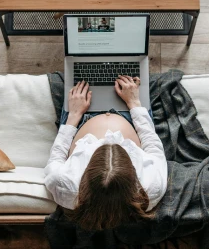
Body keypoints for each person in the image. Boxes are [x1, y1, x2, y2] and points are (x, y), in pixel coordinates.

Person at [44, 76, 168, 231]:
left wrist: (73, 116)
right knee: (134, 81)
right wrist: (135, 104)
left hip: (80, 119)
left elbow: (57, 156)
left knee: (76, 84)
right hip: (131, 117)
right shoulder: (151, 188)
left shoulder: (64, 186)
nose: (108, 137)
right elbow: (153, 146)